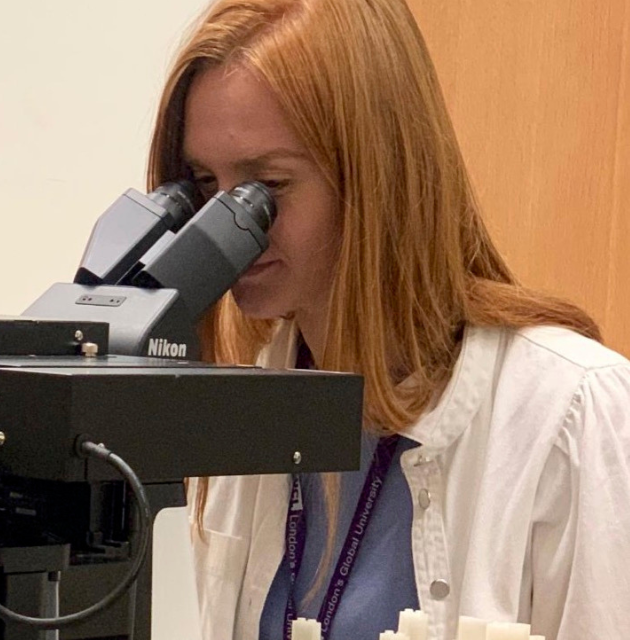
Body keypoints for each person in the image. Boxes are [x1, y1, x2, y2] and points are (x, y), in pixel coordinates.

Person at [144, 1, 630, 639]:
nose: (226, 232)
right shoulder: (254, 416)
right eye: (205, 186)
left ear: (378, 176)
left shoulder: (572, 416)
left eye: (268, 187)